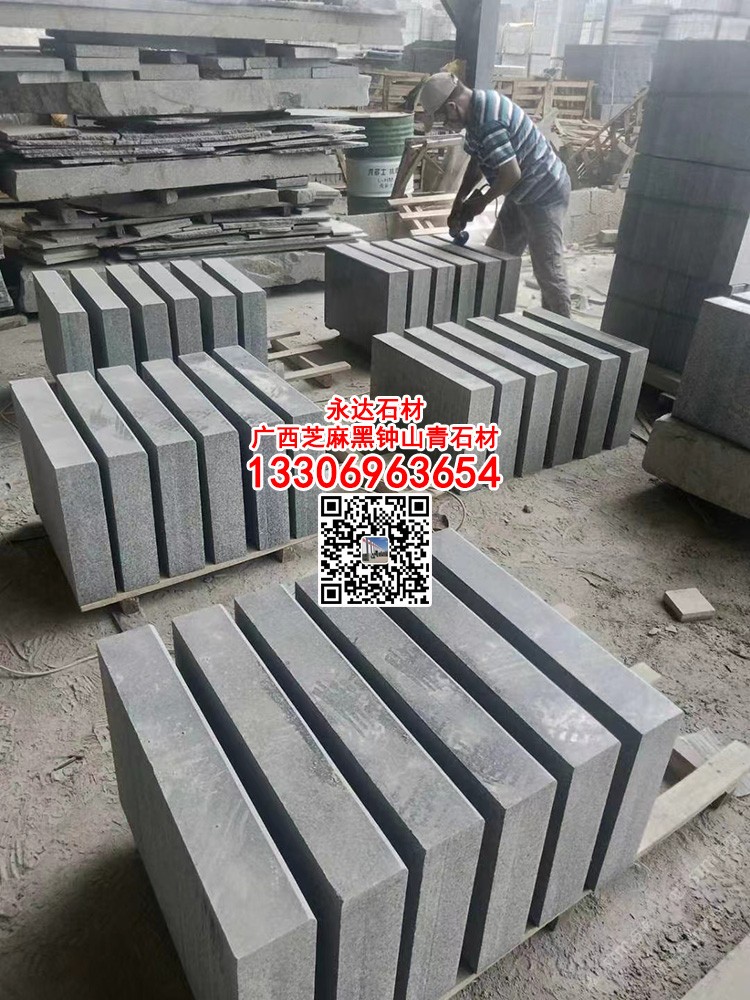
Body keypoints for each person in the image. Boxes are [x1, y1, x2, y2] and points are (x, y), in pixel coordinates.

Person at [419, 72, 572, 317]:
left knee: (548, 270)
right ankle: (492, 321)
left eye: (443, 119)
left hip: (545, 192)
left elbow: (511, 174)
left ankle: (563, 332)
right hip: (521, 194)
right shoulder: (476, 112)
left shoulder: (489, 121)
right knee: (495, 258)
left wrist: (481, 203)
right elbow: (477, 162)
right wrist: (458, 202)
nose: (446, 125)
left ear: (452, 107)